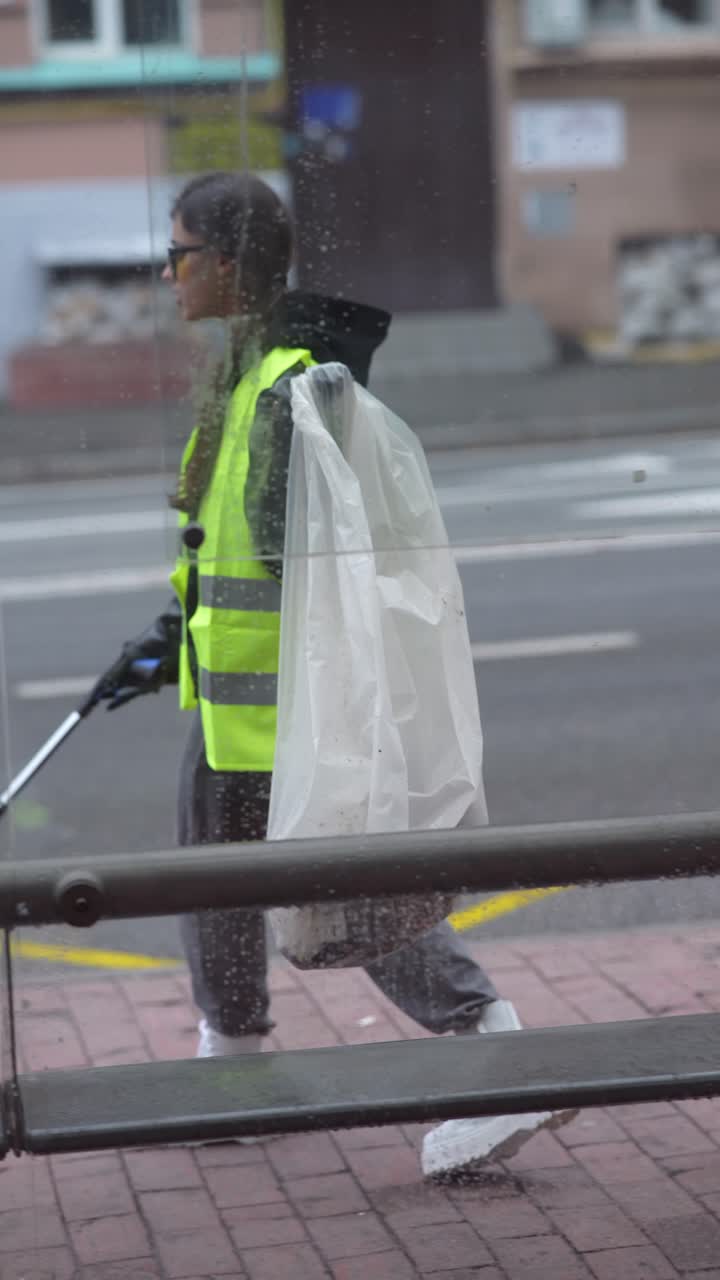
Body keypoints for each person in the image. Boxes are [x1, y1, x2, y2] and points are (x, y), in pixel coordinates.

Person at [97, 170, 571, 1178]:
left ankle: (501, 1049)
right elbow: (235, 553)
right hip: (243, 712)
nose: (168, 274)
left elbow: (321, 571)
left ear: (224, 263)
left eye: (178, 254)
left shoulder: (284, 394)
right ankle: (232, 1064)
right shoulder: (253, 379)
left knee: (353, 900)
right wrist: (176, 626)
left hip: (289, 720)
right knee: (219, 872)